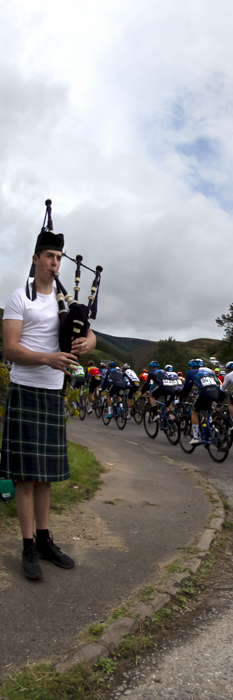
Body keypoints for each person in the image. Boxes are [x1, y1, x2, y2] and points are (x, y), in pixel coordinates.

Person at [1, 227, 96, 580]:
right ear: (36, 259)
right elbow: (10, 348)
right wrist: (48, 359)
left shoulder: (64, 301)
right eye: (49, 257)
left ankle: (44, 539)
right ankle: (27, 545)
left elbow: (84, 326)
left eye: (59, 258)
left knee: (46, 478)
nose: (55, 263)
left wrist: (88, 340)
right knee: (26, 477)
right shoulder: (19, 298)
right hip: (26, 390)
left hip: (53, 393)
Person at [178, 359, 221, 445]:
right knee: (204, 409)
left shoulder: (190, 372)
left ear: (190, 367)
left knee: (194, 411)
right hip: (216, 392)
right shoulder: (208, 372)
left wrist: (181, 398)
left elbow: (187, 387)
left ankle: (195, 437)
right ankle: (213, 427)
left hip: (205, 392)